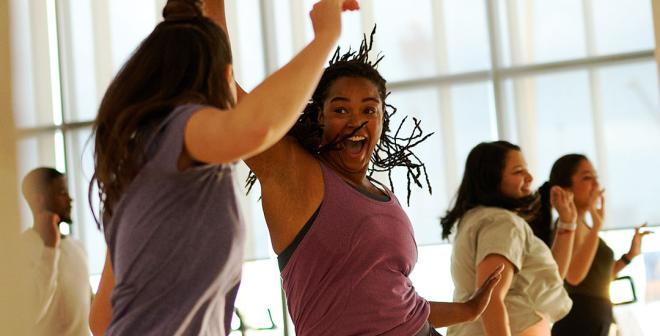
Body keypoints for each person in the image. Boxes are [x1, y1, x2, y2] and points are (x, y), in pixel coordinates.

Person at [87, 0, 359, 334]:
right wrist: (326, 36)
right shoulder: (174, 132)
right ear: (220, 79)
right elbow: (256, 126)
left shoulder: (138, 167)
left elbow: (101, 319)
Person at [225, 15, 505, 333]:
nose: (355, 121)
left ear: (382, 119)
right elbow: (225, 89)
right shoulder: (297, 176)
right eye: (341, 110)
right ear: (320, 117)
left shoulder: (384, 196)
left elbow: (396, 303)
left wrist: (468, 309)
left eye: (369, 110)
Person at [441, 141, 574, 336]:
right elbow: (491, 297)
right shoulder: (501, 223)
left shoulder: (480, 219)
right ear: (492, 178)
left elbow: (549, 283)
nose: (529, 177)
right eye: (518, 171)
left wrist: (567, 224)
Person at [530, 154, 653, 336]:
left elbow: (598, 278)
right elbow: (574, 276)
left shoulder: (585, 227)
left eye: (596, 178)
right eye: (587, 178)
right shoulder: (566, 229)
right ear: (566, 188)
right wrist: (596, 227)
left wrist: (629, 256)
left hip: (595, 320)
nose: (596, 185)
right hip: (578, 321)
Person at [21, 167, 91, 336]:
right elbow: (29, 312)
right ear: (39, 200)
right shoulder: (19, 249)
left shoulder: (78, 247)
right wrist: (50, 248)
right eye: (61, 192)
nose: (70, 199)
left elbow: (87, 305)